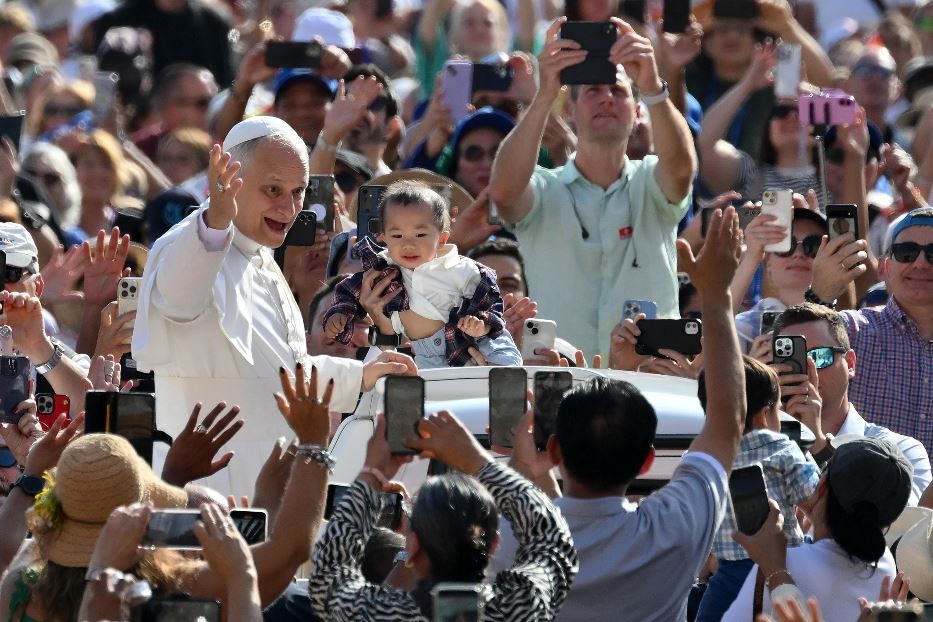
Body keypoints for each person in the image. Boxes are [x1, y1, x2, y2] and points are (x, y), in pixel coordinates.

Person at [132, 116, 416, 495]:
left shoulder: (261, 258)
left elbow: (281, 373)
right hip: (208, 487)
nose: (288, 207)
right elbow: (180, 300)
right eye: (273, 189)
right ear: (229, 181)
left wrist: (358, 377)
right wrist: (217, 218)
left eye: (298, 192)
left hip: (267, 486)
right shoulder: (193, 242)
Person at [489, 206, 745, 621]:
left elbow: (556, 537)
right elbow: (728, 420)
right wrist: (717, 297)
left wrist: (526, 472)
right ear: (647, 461)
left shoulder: (507, 539)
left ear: (554, 451)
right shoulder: (672, 529)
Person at [489, 17, 696, 359]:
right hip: (560, 381)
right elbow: (504, 193)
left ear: (636, 112)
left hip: (650, 381)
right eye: (593, 91)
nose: (607, 99)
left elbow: (681, 169)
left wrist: (653, 86)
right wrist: (544, 96)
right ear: (569, 110)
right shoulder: (543, 187)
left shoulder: (651, 180)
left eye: (618, 91)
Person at [309, 407, 578, 620]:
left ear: (412, 546)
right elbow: (552, 538)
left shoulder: (380, 613)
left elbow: (329, 574)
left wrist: (371, 473)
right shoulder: (520, 608)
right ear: (494, 545)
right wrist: (479, 462)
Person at [323, 182, 521, 368]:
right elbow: (348, 290)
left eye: (420, 235)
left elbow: (491, 305)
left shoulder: (462, 269)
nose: (408, 244)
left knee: (503, 369)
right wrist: (340, 313)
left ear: (442, 238)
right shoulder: (382, 272)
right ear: (383, 238)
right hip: (425, 354)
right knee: (424, 393)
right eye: (397, 236)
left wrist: (482, 325)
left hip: (474, 341)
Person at [722, 437, 912, 622]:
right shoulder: (886, 567)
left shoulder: (776, 563)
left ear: (821, 486)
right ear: (887, 523)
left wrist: (774, 569)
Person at [694, 356, 820, 622]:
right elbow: (815, 500)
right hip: (786, 564)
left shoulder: (702, 456)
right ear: (765, 415)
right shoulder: (782, 447)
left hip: (728, 575)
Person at [771, 302, 931, 501]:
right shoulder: (760, 446)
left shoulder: (901, 450)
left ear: (850, 363)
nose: (808, 370)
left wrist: (819, 447)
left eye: (820, 356)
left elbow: (899, 526)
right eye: (792, 359)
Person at [807, 206, 933, 456]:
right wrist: (818, 295)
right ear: (884, 268)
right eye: (906, 253)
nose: (920, 263)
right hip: (856, 492)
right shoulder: (850, 330)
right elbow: (787, 370)